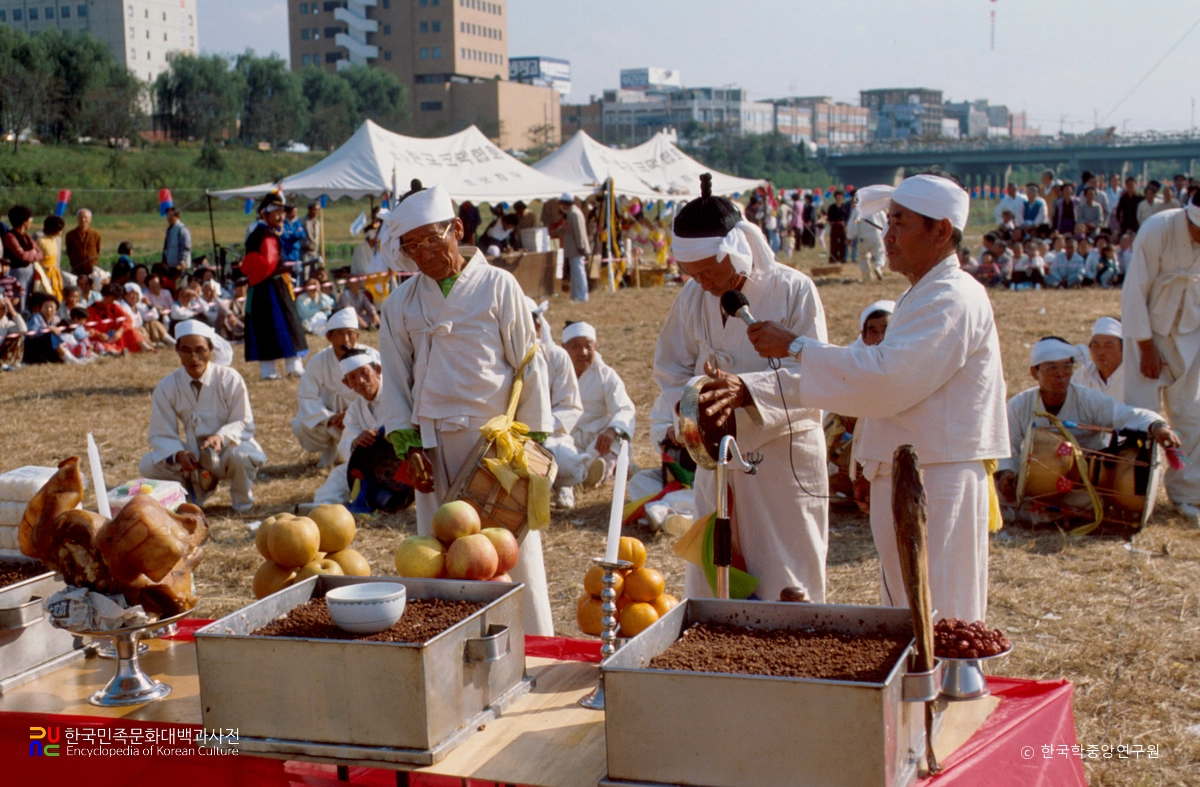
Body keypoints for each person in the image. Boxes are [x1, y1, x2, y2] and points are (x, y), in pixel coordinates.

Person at [703, 173, 1008, 621]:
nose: (887, 237)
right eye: (888, 224)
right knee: (908, 606)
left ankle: (941, 689)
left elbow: (889, 379)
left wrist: (797, 346)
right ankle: (917, 688)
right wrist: (866, 460)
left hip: (938, 477)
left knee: (939, 609)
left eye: (900, 224)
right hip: (914, 470)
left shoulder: (953, 295)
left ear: (941, 231)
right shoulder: (923, 295)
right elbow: (887, 381)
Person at [376, 183, 554, 635]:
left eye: (432, 239)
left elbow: (527, 364)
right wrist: (406, 442)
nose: (424, 253)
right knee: (443, 551)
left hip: (497, 444)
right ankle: (453, 640)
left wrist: (531, 443)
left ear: (456, 229)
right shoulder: (400, 303)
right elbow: (395, 379)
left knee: (508, 549)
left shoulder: (498, 285)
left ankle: (530, 640)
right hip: (432, 443)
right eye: (411, 246)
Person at [655, 173, 830, 603]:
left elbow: (818, 375)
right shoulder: (693, 299)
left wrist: (746, 391)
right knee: (716, 582)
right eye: (691, 274)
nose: (703, 283)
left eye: (709, 272)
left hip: (782, 461)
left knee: (787, 579)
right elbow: (670, 367)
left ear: (734, 250)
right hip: (716, 460)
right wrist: (694, 408)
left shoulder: (793, 289)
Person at [994, 337, 1178, 503]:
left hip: (1084, 484)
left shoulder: (1088, 399)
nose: (1061, 374)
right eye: (1052, 367)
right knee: (994, 493)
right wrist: (1006, 473)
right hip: (1037, 482)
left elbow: (1126, 414)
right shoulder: (1020, 404)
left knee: (1085, 502)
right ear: (1034, 373)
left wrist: (1157, 426)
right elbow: (1007, 445)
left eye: (1067, 366)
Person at [1122, 191, 1200, 520]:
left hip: (1191, 329)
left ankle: (1187, 495)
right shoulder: (1158, 228)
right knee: (1143, 414)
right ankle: (1137, 495)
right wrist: (1145, 345)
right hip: (1149, 330)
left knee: (1192, 414)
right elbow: (1135, 288)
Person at [139, 320, 265, 513]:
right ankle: (186, 496)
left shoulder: (229, 378)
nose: (194, 357)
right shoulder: (167, 386)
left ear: (211, 349)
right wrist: (179, 453)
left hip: (228, 450)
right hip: (192, 456)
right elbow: (160, 432)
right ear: (177, 350)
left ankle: (242, 502)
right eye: (186, 350)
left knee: (243, 456)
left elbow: (243, 420)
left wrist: (221, 437)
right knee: (148, 465)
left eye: (200, 350)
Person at [292, 307, 380, 468]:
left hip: (366, 416)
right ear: (329, 336)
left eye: (350, 333)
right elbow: (307, 396)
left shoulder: (371, 356)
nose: (346, 340)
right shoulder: (318, 361)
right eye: (340, 334)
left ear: (357, 335)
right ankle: (331, 449)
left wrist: (351, 413)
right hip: (334, 421)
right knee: (299, 425)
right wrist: (329, 417)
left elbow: (383, 391)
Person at [525, 300, 585, 511]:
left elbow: (569, 405)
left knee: (566, 461)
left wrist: (539, 426)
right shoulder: (497, 356)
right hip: (510, 436)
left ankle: (564, 484)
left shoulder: (557, 358)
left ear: (538, 326)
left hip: (550, 434)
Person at [312, 350, 392, 507]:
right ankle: (324, 508)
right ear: (346, 383)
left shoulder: (396, 394)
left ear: (377, 371)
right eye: (353, 378)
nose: (361, 381)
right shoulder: (355, 410)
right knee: (339, 475)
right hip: (376, 466)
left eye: (364, 373)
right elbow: (344, 444)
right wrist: (356, 441)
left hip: (405, 462)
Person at [241, 193, 308, 380]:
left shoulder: (263, 233)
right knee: (284, 324)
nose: (281, 217)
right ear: (265, 214)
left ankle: (271, 370)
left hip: (266, 286)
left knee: (272, 327)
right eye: (277, 212)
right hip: (271, 288)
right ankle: (291, 367)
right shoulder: (265, 235)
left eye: (282, 212)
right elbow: (267, 263)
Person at [562, 321, 636, 487]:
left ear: (595, 346)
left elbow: (624, 408)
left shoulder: (606, 375)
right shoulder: (556, 374)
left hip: (598, 438)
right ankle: (592, 473)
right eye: (576, 347)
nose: (583, 352)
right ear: (564, 347)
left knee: (617, 442)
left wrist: (612, 430)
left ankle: (600, 473)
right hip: (566, 436)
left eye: (589, 346)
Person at [1072, 317, 1126, 401]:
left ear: (1123, 348)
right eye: (1096, 345)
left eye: (1108, 346)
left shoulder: (1134, 376)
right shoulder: (1082, 375)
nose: (1101, 352)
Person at [551, 193, 591, 302]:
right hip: (573, 249)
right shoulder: (570, 213)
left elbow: (578, 232)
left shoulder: (574, 213)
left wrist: (580, 247)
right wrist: (556, 232)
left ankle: (582, 297)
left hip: (577, 248)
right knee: (575, 274)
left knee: (579, 273)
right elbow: (566, 228)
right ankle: (575, 296)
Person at [3, 206, 42, 311]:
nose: (31, 221)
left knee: (29, 299)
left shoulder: (26, 237)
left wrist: (30, 254)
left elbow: (40, 253)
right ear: (23, 221)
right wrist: (32, 253)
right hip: (18, 273)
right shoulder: (10, 236)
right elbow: (21, 255)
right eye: (29, 218)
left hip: (30, 271)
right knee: (20, 300)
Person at [848, 195, 887, 282]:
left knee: (863, 256)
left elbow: (852, 225)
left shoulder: (857, 210)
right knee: (880, 254)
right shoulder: (877, 208)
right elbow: (885, 222)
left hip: (863, 237)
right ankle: (878, 267)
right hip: (876, 236)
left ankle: (867, 275)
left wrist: (850, 237)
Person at [64, 208, 101, 281]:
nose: (83, 220)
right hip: (76, 269)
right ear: (77, 219)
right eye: (81, 217)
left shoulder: (96, 234)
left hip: (91, 269)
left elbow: (98, 250)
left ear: (90, 220)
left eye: (85, 217)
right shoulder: (70, 235)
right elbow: (69, 251)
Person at [35, 215, 66, 301]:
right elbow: (36, 260)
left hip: (54, 273)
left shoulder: (54, 240)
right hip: (44, 274)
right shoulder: (41, 241)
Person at [280, 204, 307, 271]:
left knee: (297, 272)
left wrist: (292, 233)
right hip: (286, 253)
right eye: (293, 212)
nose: (295, 214)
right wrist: (295, 233)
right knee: (288, 272)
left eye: (296, 212)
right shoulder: (282, 223)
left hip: (296, 253)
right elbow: (285, 236)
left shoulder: (297, 222)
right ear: (288, 213)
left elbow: (303, 234)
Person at [825, 190, 849, 262]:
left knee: (843, 243)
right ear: (835, 197)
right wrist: (831, 222)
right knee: (834, 243)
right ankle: (833, 259)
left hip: (843, 227)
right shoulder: (832, 207)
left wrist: (845, 223)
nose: (839, 197)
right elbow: (829, 217)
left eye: (841, 196)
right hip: (834, 227)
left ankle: (842, 259)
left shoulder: (845, 207)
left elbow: (847, 217)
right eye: (838, 196)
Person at [301, 202, 323, 279]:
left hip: (315, 252)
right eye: (314, 210)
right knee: (305, 273)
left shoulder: (317, 223)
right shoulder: (302, 222)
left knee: (315, 273)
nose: (316, 212)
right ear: (309, 209)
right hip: (305, 252)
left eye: (317, 210)